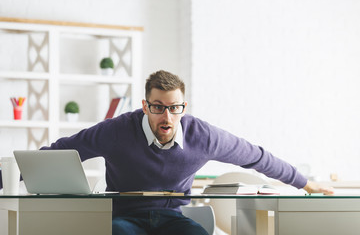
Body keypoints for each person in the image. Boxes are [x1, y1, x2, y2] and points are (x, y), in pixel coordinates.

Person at [32, 70, 334, 234]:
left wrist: (304, 183)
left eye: (174, 108)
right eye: (158, 108)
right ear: (145, 106)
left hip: (173, 218)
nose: (167, 117)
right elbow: (62, 151)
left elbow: (257, 156)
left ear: (183, 107)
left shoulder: (204, 136)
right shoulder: (117, 130)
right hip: (125, 219)